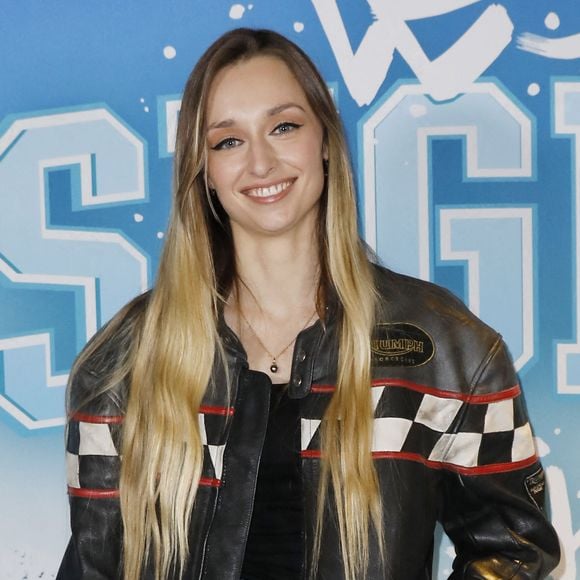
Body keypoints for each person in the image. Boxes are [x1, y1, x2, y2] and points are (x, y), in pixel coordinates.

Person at [57, 28, 560, 580]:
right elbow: (91, 566)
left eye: (284, 126)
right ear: (203, 171)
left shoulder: (447, 347)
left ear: (324, 139)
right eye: (229, 140)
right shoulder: (127, 359)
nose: (261, 162)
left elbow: (518, 551)